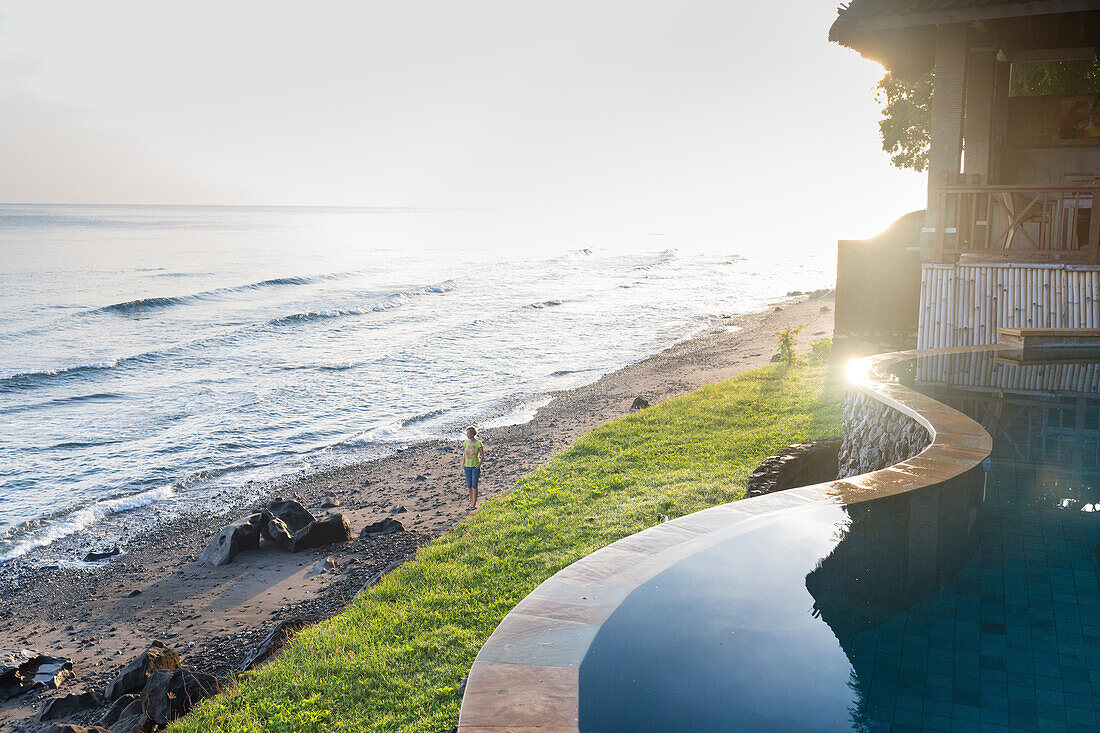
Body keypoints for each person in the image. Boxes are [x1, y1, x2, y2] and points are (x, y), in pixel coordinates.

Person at [462, 426, 484, 510]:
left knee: (474, 485)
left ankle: (474, 504)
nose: (467, 435)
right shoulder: (466, 443)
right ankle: (471, 503)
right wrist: (463, 463)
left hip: (475, 467)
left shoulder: (478, 443)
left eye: (469, 434)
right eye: (467, 434)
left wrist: (479, 465)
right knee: (469, 486)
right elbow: (464, 454)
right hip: (467, 467)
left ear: (473, 434)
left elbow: (482, 456)